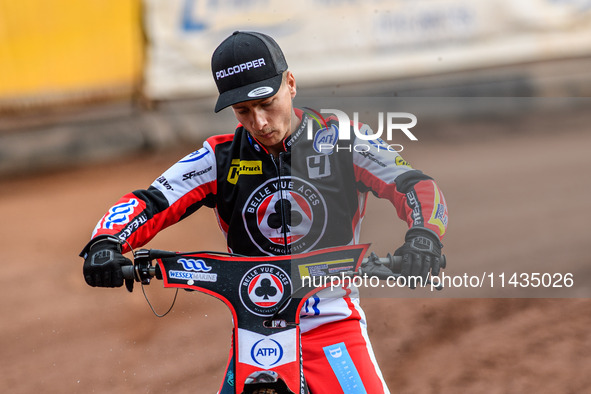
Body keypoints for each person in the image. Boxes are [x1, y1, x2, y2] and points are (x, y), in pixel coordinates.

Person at [80, 31, 448, 393]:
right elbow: (153, 200)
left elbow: (414, 184)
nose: (259, 123)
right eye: (243, 111)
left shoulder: (344, 141)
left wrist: (424, 236)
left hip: (332, 325)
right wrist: (106, 240)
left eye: (267, 103)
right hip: (256, 333)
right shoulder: (218, 157)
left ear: (290, 83)